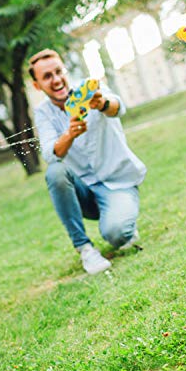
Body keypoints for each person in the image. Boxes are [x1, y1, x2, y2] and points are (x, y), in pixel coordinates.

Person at [29, 49, 147, 275]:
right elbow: (50, 153)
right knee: (55, 172)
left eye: (58, 72)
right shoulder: (43, 112)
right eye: (47, 76)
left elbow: (117, 107)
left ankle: (123, 225)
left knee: (117, 235)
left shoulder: (90, 88)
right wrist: (69, 135)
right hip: (84, 194)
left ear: (65, 71)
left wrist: (101, 103)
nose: (56, 80)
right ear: (37, 86)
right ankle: (85, 249)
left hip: (117, 183)